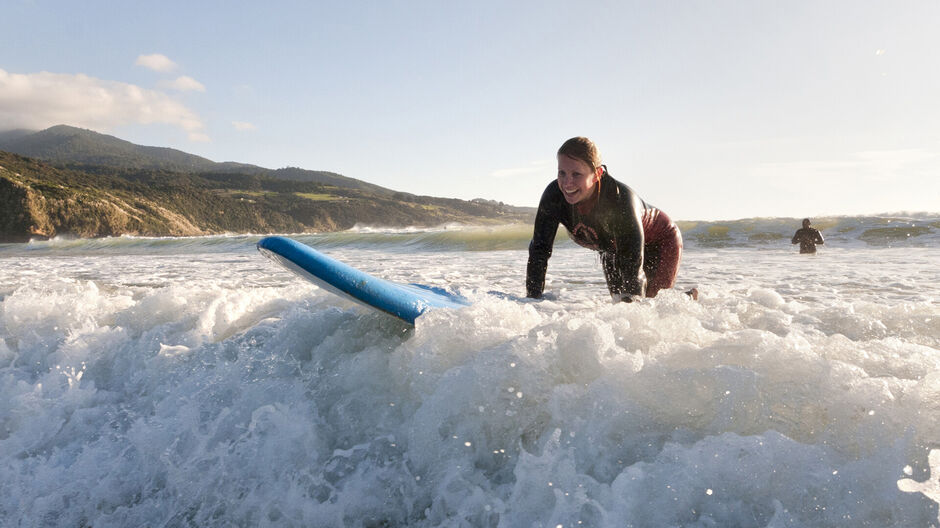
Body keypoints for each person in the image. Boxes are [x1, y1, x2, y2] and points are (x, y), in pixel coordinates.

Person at [526, 136, 693, 302]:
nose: (567, 183)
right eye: (562, 173)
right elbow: (539, 251)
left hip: (660, 240)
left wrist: (633, 311)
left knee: (651, 306)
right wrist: (532, 302)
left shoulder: (618, 201)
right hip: (613, 248)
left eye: (576, 174)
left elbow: (633, 272)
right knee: (619, 302)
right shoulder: (553, 196)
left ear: (597, 174)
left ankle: (686, 302)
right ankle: (685, 300)